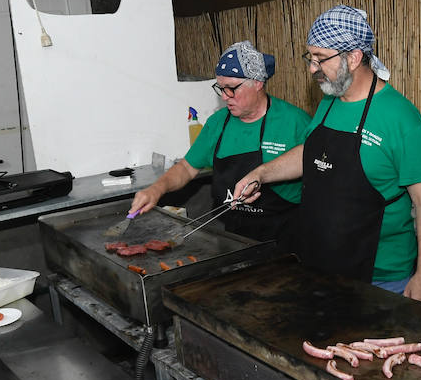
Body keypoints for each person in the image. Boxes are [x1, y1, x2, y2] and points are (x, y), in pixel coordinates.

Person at [234, 5, 421, 300]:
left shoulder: (400, 117)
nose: (312, 68)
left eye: (320, 58)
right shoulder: (330, 100)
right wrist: (260, 174)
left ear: (353, 57)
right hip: (321, 264)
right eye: (310, 57)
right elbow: (311, 153)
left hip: (381, 277)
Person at [129, 41, 308, 241]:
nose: (225, 97)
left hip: (284, 232)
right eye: (220, 88)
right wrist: (156, 189)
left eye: (231, 88)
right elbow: (187, 168)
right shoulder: (218, 123)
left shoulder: (295, 122)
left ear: (257, 82)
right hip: (232, 232)